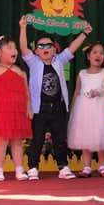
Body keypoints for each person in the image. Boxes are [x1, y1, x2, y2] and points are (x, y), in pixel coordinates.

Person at [18, 15, 91, 180]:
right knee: (37, 139)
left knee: (59, 139)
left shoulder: (59, 61)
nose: (45, 48)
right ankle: (33, 168)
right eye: (41, 46)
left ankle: (63, 167)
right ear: (36, 50)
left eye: (48, 45)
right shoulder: (34, 62)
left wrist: (85, 33)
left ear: (54, 49)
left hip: (58, 107)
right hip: (39, 108)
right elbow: (23, 47)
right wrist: (23, 28)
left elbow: (72, 48)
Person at [68, 42, 104, 177]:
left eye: (101, 53)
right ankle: (86, 167)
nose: (98, 55)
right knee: (85, 136)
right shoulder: (82, 73)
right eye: (95, 52)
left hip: (101, 107)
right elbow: (77, 92)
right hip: (84, 108)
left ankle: (103, 166)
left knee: (101, 135)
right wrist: (73, 110)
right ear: (88, 56)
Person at [0, 37, 33, 181]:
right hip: (1, 110)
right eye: (9, 48)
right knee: (1, 140)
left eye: (15, 48)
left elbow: (27, 93)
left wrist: (29, 109)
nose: (14, 51)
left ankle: (19, 169)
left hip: (18, 110)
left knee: (17, 141)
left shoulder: (21, 71)